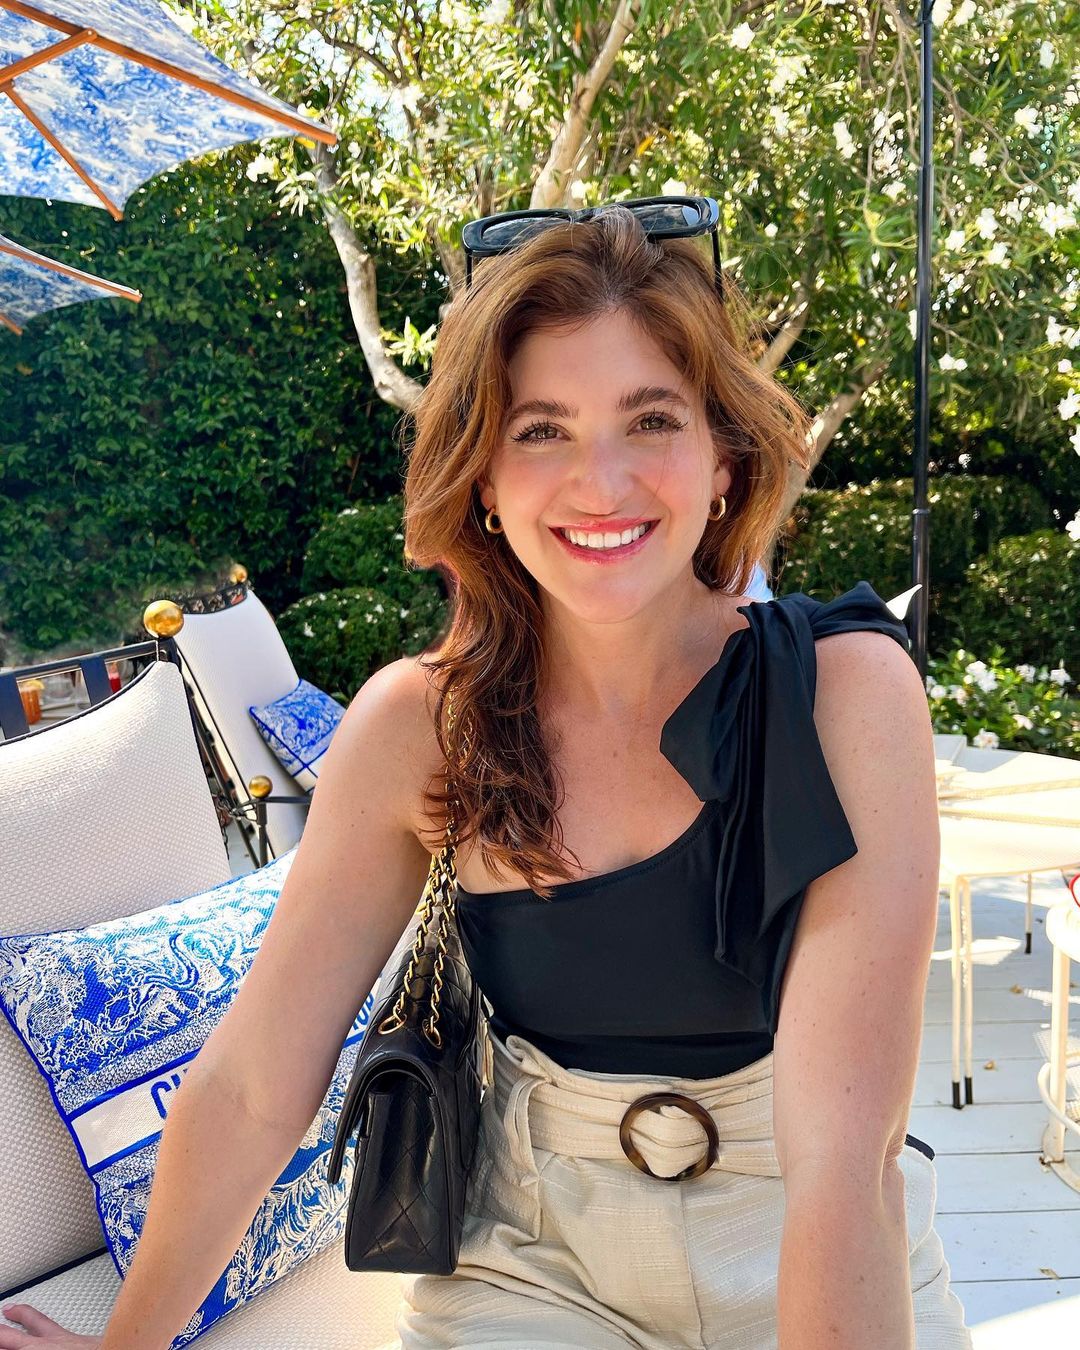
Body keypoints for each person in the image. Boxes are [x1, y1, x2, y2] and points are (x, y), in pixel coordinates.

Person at [0, 200, 973, 1350]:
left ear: (723, 460)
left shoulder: (844, 693)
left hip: (803, 1226)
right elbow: (255, 1082)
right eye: (542, 430)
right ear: (484, 482)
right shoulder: (426, 727)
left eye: (651, 419)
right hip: (539, 1258)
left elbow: (843, 1164)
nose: (601, 481)